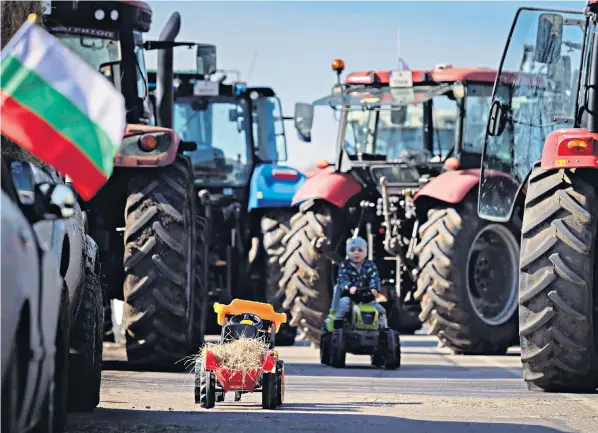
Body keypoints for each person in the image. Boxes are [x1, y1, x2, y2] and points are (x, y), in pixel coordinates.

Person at [335, 236, 388, 329]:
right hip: (350, 297)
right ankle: (338, 327)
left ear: (365, 253)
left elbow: (374, 277)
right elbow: (342, 278)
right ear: (348, 252)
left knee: (381, 310)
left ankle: (384, 330)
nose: (356, 253)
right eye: (352, 250)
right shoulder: (345, 265)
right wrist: (349, 286)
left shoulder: (369, 265)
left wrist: (374, 288)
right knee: (343, 305)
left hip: (366, 297)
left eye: (360, 250)